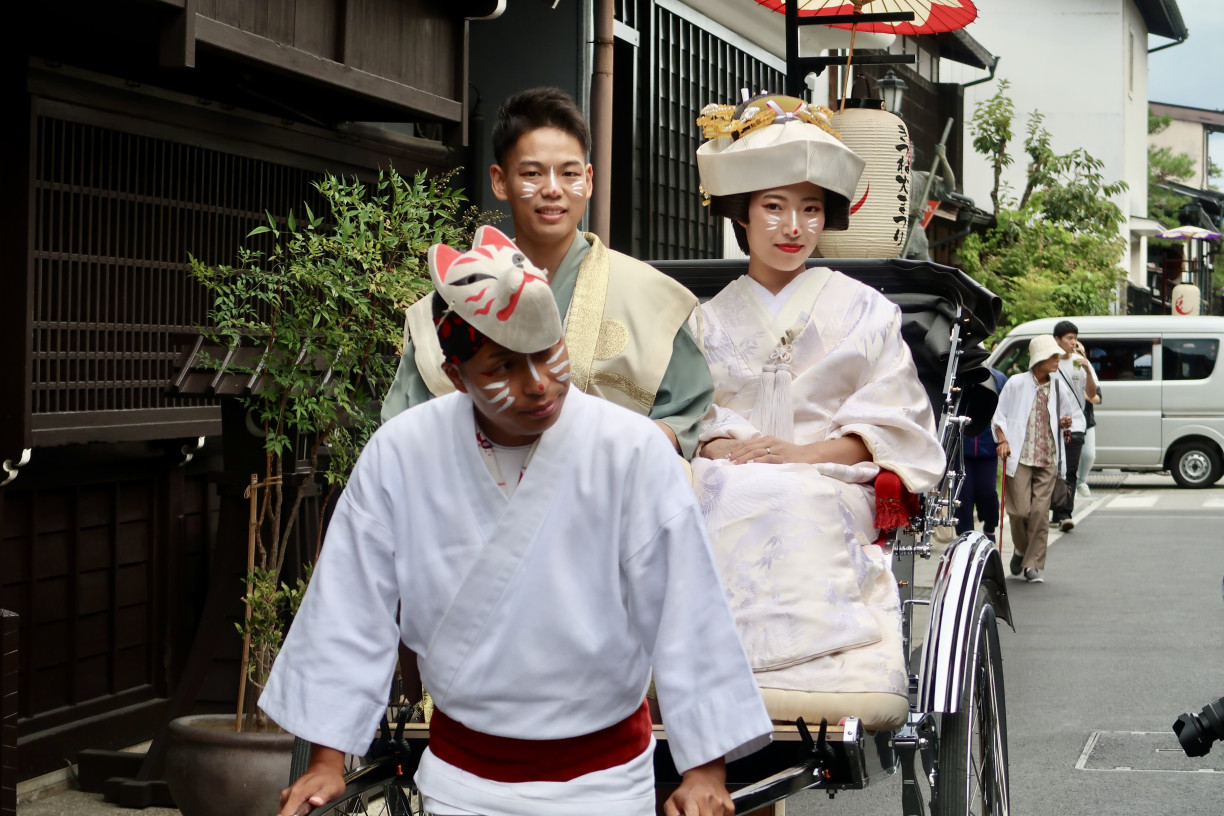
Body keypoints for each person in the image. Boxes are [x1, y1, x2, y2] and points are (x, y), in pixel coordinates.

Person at [261, 226, 771, 816]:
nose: (538, 385)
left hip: (604, 783)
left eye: (549, 352)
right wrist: (326, 762)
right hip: (460, 781)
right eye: (504, 366)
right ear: (455, 376)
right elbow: (351, 607)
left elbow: (687, 610)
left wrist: (703, 771)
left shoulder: (632, 450)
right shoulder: (400, 452)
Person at [688, 94, 946, 728]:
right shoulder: (703, 319)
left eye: (808, 209)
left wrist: (802, 456)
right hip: (730, 472)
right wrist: (720, 446)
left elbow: (895, 421)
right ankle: (700, 665)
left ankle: (824, 668)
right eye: (773, 208)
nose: (792, 227)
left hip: (831, 478)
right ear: (742, 215)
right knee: (701, 493)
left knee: (794, 494)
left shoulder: (867, 312)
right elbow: (690, 413)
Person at [380, 87, 713, 459]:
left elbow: (684, 420)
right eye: (533, 173)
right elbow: (404, 431)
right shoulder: (454, 301)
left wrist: (604, 463)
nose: (552, 190)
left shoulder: (653, 298)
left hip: (607, 499)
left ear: (587, 180)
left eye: (569, 173)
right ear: (500, 181)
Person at [992, 335, 1085, 583]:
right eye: (1053, 356)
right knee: (1020, 511)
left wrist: (1065, 421)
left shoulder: (1057, 385)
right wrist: (1002, 440)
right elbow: (999, 416)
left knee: (1040, 513)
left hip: (1048, 456)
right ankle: (1022, 550)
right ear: (1040, 359)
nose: (1058, 359)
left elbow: (1068, 415)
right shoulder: (1016, 383)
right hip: (1020, 455)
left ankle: (1033, 564)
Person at [1049, 320, 1097, 531]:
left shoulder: (1080, 362)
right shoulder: (1050, 363)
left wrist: (1087, 370)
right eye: (1069, 338)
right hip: (1051, 425)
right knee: (1052, 470)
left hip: (1076, 424)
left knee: (1070, 470)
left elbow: (1093, 394)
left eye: (1075, 338)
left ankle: (1065, 514)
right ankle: (1055, 510)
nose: (1073, 342)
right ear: (1057, 340)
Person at [955, 366, 1009, 544]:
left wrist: (1003, 439)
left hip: (988, 448)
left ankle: (990, 526)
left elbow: (1005, 411)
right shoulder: (958, 375)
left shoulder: (998, 378)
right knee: (964, 495)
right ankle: (966, 539)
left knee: (987, 493)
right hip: (962, 448)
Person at [1074, 339, 1102, 497]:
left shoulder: (1088, 369)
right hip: (1068, 419)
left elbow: (1098, 397)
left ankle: (1081, 481)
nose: (1078, 354)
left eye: (1080, 352)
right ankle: (1071, 484)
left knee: (1089, 454)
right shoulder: (1062, 366)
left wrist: (1088, 396)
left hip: (1086, 419)